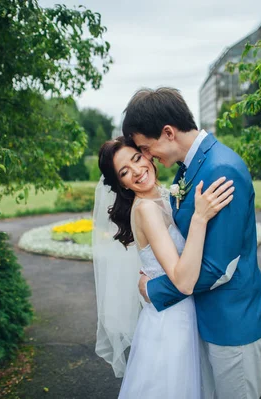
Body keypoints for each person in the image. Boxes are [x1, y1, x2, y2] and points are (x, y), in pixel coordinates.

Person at [122, 87, 261, 399]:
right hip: (204, 319)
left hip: (233, 324)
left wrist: (153, 290)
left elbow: (220, 267)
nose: (148, 157)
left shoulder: (220, 168)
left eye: (145, 148)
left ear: (168, 132)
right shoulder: (190, 168)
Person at [94, 136, 234, 398]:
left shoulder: (166, 195)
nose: (136, 171)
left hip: (186, 312)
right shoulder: (146, 209)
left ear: (147, 155)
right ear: (120, 184)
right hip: (171, 322)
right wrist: (200, 218)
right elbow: (182, 278)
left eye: (137, 158)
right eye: (124, 172)